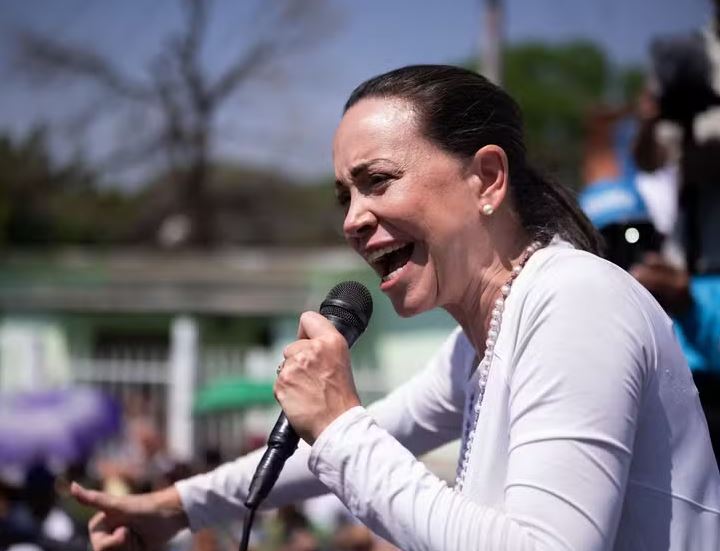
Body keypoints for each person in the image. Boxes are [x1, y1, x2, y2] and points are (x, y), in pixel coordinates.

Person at [72, 65, 720, 551]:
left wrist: (339, 425)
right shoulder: (479, 343)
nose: (353, 220)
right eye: (343, 197)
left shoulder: (577, 298)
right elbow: (371, 434)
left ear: (488, 178)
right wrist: (179, 504)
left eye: (377, 181)